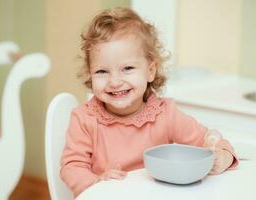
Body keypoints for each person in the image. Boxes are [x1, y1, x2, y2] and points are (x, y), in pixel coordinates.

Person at [60, 7, 238, 197]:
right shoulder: (84, 119)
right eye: (102, 71)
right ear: (90, 74)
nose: (114, 81)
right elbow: (72, 167)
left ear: (150, 71)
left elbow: (208, 140)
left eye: (127, 68)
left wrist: (224, 156)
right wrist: (97, 182)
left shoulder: (165, 114)